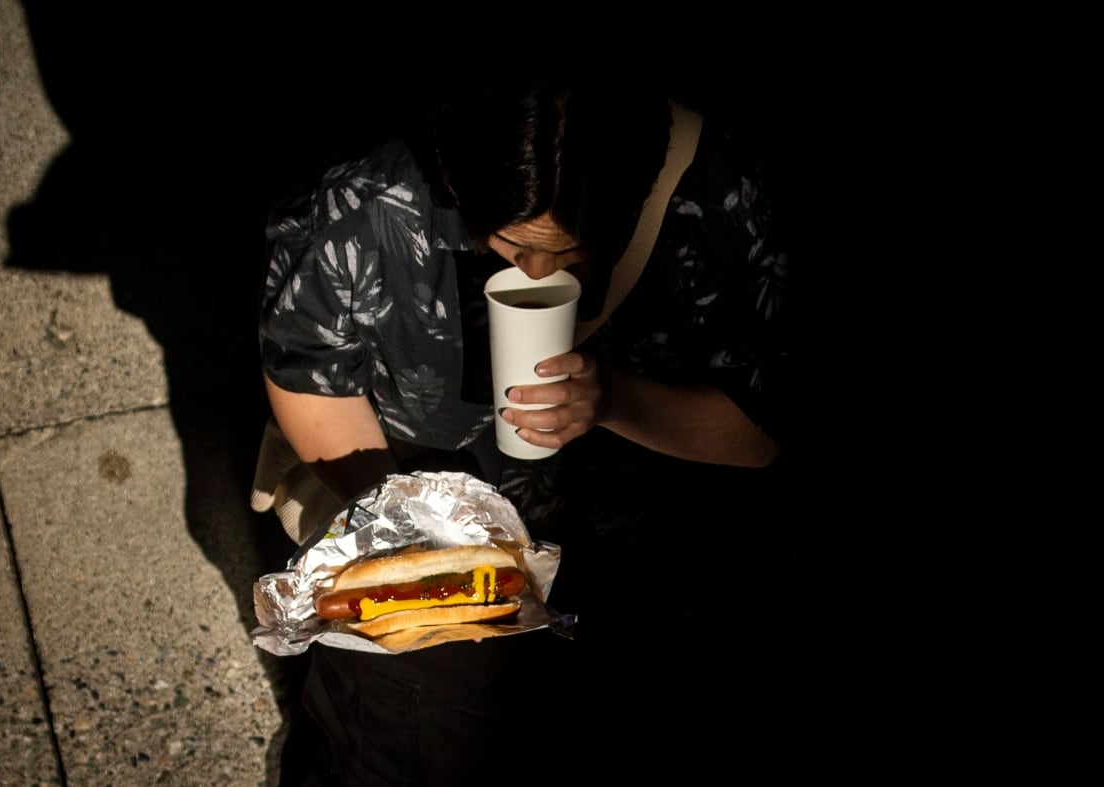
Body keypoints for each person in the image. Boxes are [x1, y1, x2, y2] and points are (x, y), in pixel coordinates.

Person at [255, 68, 826, 785]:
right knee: (411, 741)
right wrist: (426, 529)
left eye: (569, 253)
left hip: (633, 541)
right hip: (433, 548)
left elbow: (761, 429)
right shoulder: (373, 202)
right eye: (509, 239)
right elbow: (311, 381)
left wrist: (614, 399)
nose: (533, 269)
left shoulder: (712, 199)